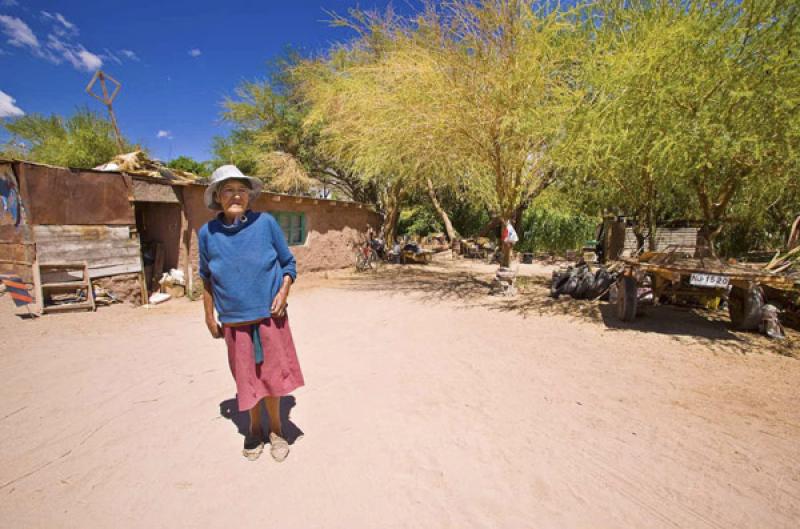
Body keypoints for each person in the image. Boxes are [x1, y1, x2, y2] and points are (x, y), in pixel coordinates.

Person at [198, 165, 304, 462]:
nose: (236, 195)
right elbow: (206, 276)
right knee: (245, 378)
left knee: (272, 377)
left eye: (242, 190)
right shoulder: (208, 233)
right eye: (228, 190)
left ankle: (277, 430)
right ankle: (254, 430)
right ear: (217, 197)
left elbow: (288, 265)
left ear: (249, 196)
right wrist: (209, 316)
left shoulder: (266, 223)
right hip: (234, 320)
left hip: (270, 317)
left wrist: (283, 293)